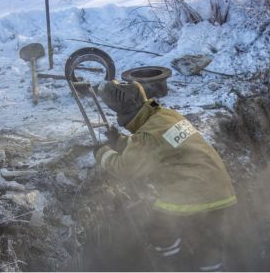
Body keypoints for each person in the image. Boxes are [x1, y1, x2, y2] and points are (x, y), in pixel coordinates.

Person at [94, 80, 236, 271]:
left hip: (194, 189)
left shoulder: (148, 136)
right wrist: (121, 141)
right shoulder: (165, 115)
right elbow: (156, 144)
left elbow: (125, 168)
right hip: (220, 187)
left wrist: (102, 153)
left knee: (158, 229)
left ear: (129, 117)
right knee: (207, 240)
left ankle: (174, 265)